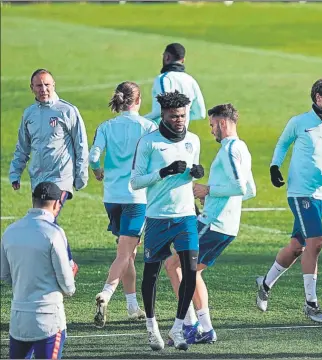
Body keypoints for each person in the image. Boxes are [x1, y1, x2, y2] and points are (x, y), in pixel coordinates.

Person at [256, 77, 322, 323]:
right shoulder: (299, 122)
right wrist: (274, 167)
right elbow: (283, 144)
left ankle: (265, 284)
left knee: (297, 247)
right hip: (300, 192)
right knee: (315, 243)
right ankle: (311, 303)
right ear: (318, 98)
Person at [165, 103, 256, 345]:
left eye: (212, 125)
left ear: (222, 123)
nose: (212, 130)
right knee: (192, 272)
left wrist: (209, 190)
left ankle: (190, 325)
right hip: (226, 226)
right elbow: (250, 191)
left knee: (174, 266)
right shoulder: (242, 148)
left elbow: (240, 188)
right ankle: (204, 328)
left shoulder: (229, 150)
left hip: (212, 222)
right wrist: (211, 194)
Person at [130, 90, 205, 351]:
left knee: (191, 272)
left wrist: (196, 172)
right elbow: (136, 181)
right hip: (157, 218)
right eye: (174, 116)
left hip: (185, 217)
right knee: (151, 273)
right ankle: (152, 328)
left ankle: (178, 327)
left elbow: (190, 176)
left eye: (183, 116)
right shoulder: (149, 142)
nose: (180, 120)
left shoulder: (193, 140)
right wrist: (163, 172)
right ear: (163, 115)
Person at [89, 81, 157, 328]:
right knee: (125, 253)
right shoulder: (149, 127)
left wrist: (97, 172)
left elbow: (94, 156)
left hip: (112, 197)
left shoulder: (106, 126)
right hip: (136, 198)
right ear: (138, 101)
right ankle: (105, 294)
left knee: (130, 252)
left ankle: (132, 306)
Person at [9, 68, 89, 274]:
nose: (43, 89)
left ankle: (68, 263)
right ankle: (53, 261)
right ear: (32, 88)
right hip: (38, 177)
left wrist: (81, 176)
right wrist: (15, 172)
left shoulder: (67, 110)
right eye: (39, 85)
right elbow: (22, 147)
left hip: (61, 176)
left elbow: (81, 144)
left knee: (50, 218)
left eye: (47, 84)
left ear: (54, 85)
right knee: (44, 220)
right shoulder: (29, 114)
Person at [1, 182, 76, 359]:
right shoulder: (54, 233)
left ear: (32, 200)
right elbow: (67, 285)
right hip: (48, 319)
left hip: (19, 319)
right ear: (57, 203)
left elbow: (4, 274)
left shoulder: (10, 231)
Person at [144, 43, 206, 127]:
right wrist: (184, 117)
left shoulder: (163, 79)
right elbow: (201, 114)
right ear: (183, 60)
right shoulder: (191, 80)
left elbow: (165, 108)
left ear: (167, 57)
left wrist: (141, 120)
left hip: (162, 134)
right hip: (183, 136)